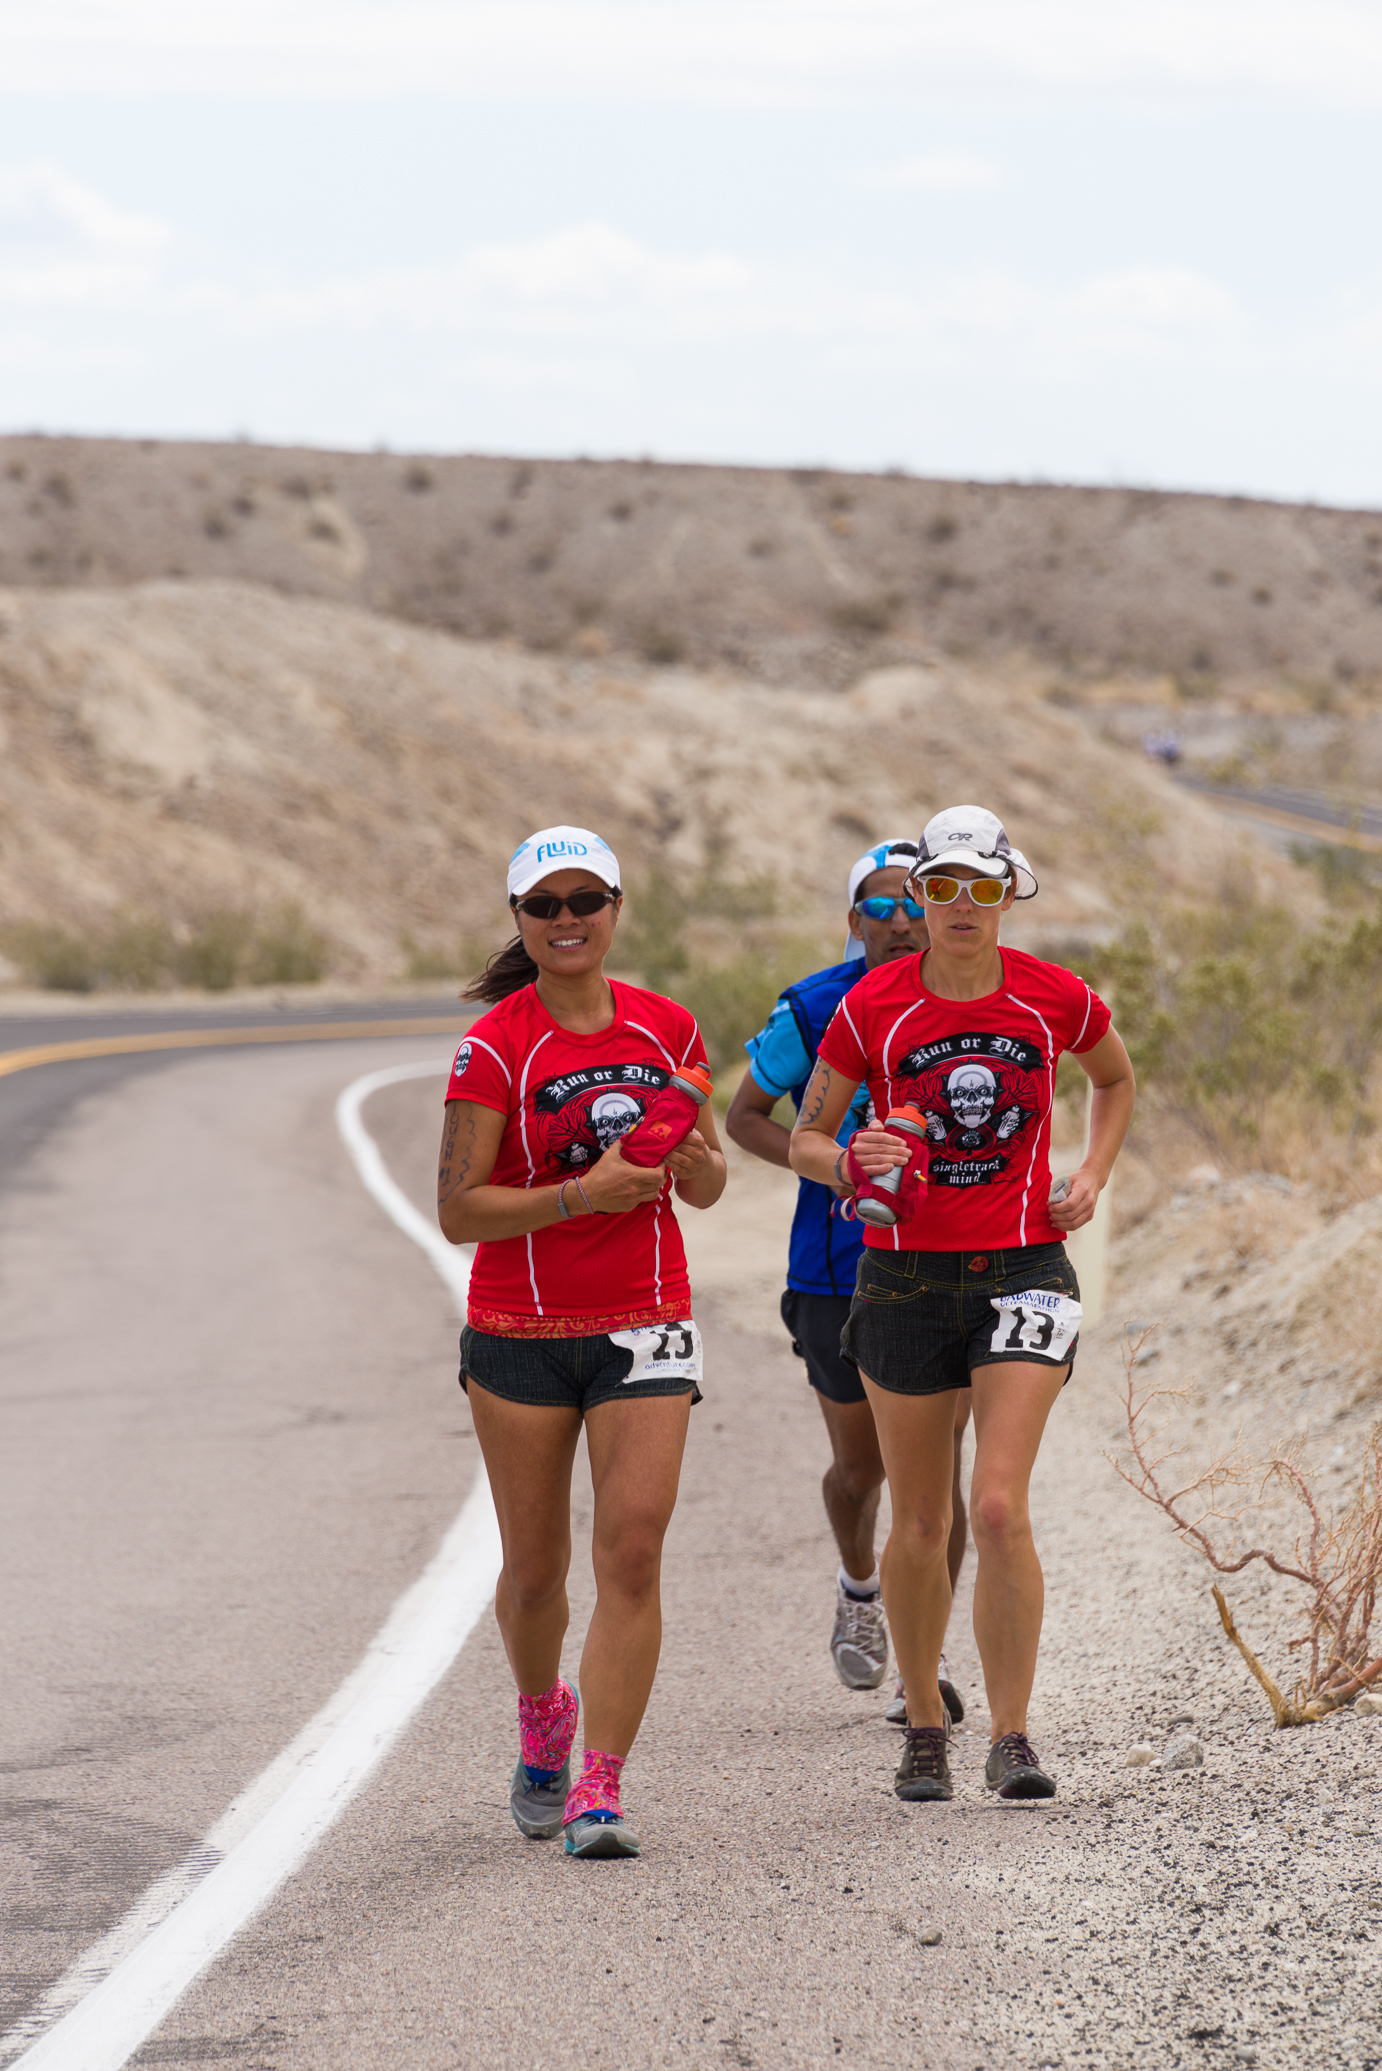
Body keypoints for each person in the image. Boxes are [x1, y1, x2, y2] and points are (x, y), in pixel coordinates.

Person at [789, 806, 1134, 1804]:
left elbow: (1113, 1079)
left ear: (1006, 895)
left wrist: (1092, 1172)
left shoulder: (1050, 997)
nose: (958, 908)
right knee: (922, 1518)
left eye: (980, 889)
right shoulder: (875, 1007)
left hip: (1022, 1266)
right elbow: (810, 1138)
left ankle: (1013, 1734)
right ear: (917, 898)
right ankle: (928, 1726)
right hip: (899, 1276)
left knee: (995, 1505)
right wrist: (852, 1157)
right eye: (938, 889)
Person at [437, 825, 727, 1858]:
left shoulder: (668, 1029)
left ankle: (598, 1785)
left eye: (584, 900)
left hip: (645, 1318)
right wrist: (579, 1193)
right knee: (532, 1572)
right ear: (518, 919)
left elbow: (706, 1180)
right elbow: (459, 1211)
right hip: (518, 1327)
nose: (566, 920)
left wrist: (690, 1165)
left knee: (634, 1550)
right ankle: (541, 1717)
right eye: (543, 905)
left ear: (613, 908)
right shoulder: (495, 1046)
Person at [726, 842, 969, 1724]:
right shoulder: (815, 1006)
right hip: (834, 1269)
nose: (901, 921)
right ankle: (860, 1586)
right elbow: (745, 1117)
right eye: (881, 906)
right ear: (854, 918)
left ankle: (923, 1664)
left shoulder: (975, 996)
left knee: (937, 1477)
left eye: (915, 902)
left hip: (949, 1264)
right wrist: (831, 1169)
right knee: (863, 1469)